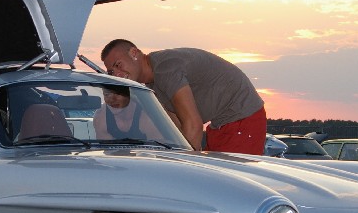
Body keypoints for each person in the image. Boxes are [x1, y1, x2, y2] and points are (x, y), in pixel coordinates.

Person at [101, 39, 266, 154]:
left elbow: (193, 125)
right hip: (220, 125)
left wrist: (181, 166)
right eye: (111, 71)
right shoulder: (152, 84)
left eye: (118, 65)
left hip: (242, 118)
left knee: (226, 186)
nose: (117, 74)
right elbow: (178, 129)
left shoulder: (165, 69)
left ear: (134, 53)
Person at [93, 85, 163, 141]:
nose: (112, 100)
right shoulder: (101, 117)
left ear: (129, 94)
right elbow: (108, 151)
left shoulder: (146, 115)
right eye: (107, 94)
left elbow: (159, 149)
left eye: (117, 94)